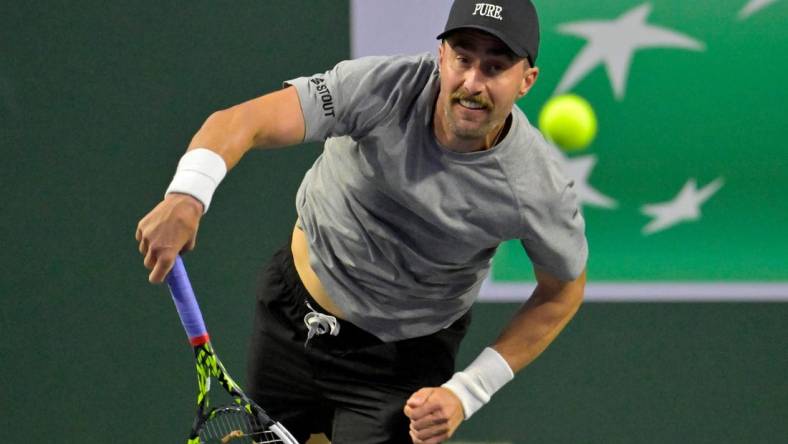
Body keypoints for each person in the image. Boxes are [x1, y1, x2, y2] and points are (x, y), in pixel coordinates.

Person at [136, 0, 588, 442]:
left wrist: (468, 392)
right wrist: (187, 195)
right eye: (462, 58)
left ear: (526, 80)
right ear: (441, 56)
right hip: (289, 322)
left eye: (494, 67)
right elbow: (244, 121)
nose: (472, 81)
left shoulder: (537, 187)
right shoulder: (379, 87)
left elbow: (562, 292)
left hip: (399, 365)